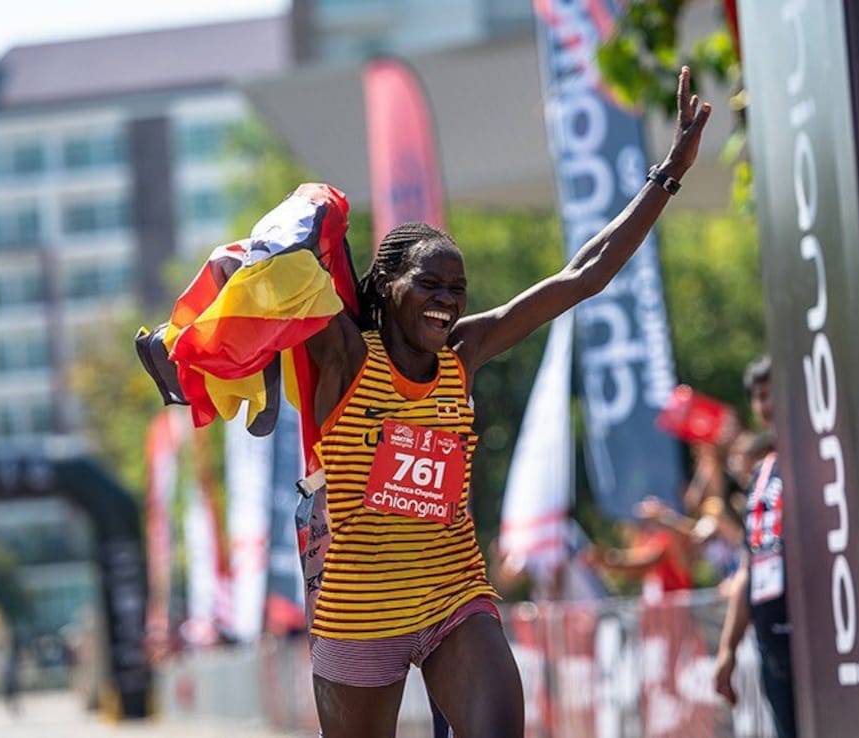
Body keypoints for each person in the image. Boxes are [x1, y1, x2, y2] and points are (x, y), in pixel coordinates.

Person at [292, 68, 709, 737]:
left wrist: (668, 174)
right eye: (430, 284)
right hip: (360, 614)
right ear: (388, 284)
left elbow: (585, 274)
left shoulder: (464, 351)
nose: (447, 302)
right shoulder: (346, 359)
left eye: (456, 289)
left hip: (454, 597)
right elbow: (278, 275)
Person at [714, 354, 796, 738]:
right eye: (759, 396)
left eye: (773, 392)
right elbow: (752, 564)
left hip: (818, 644)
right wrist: (728, 649)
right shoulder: (761, 475)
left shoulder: (816, 457)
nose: (766, 405)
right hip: (772, 647)